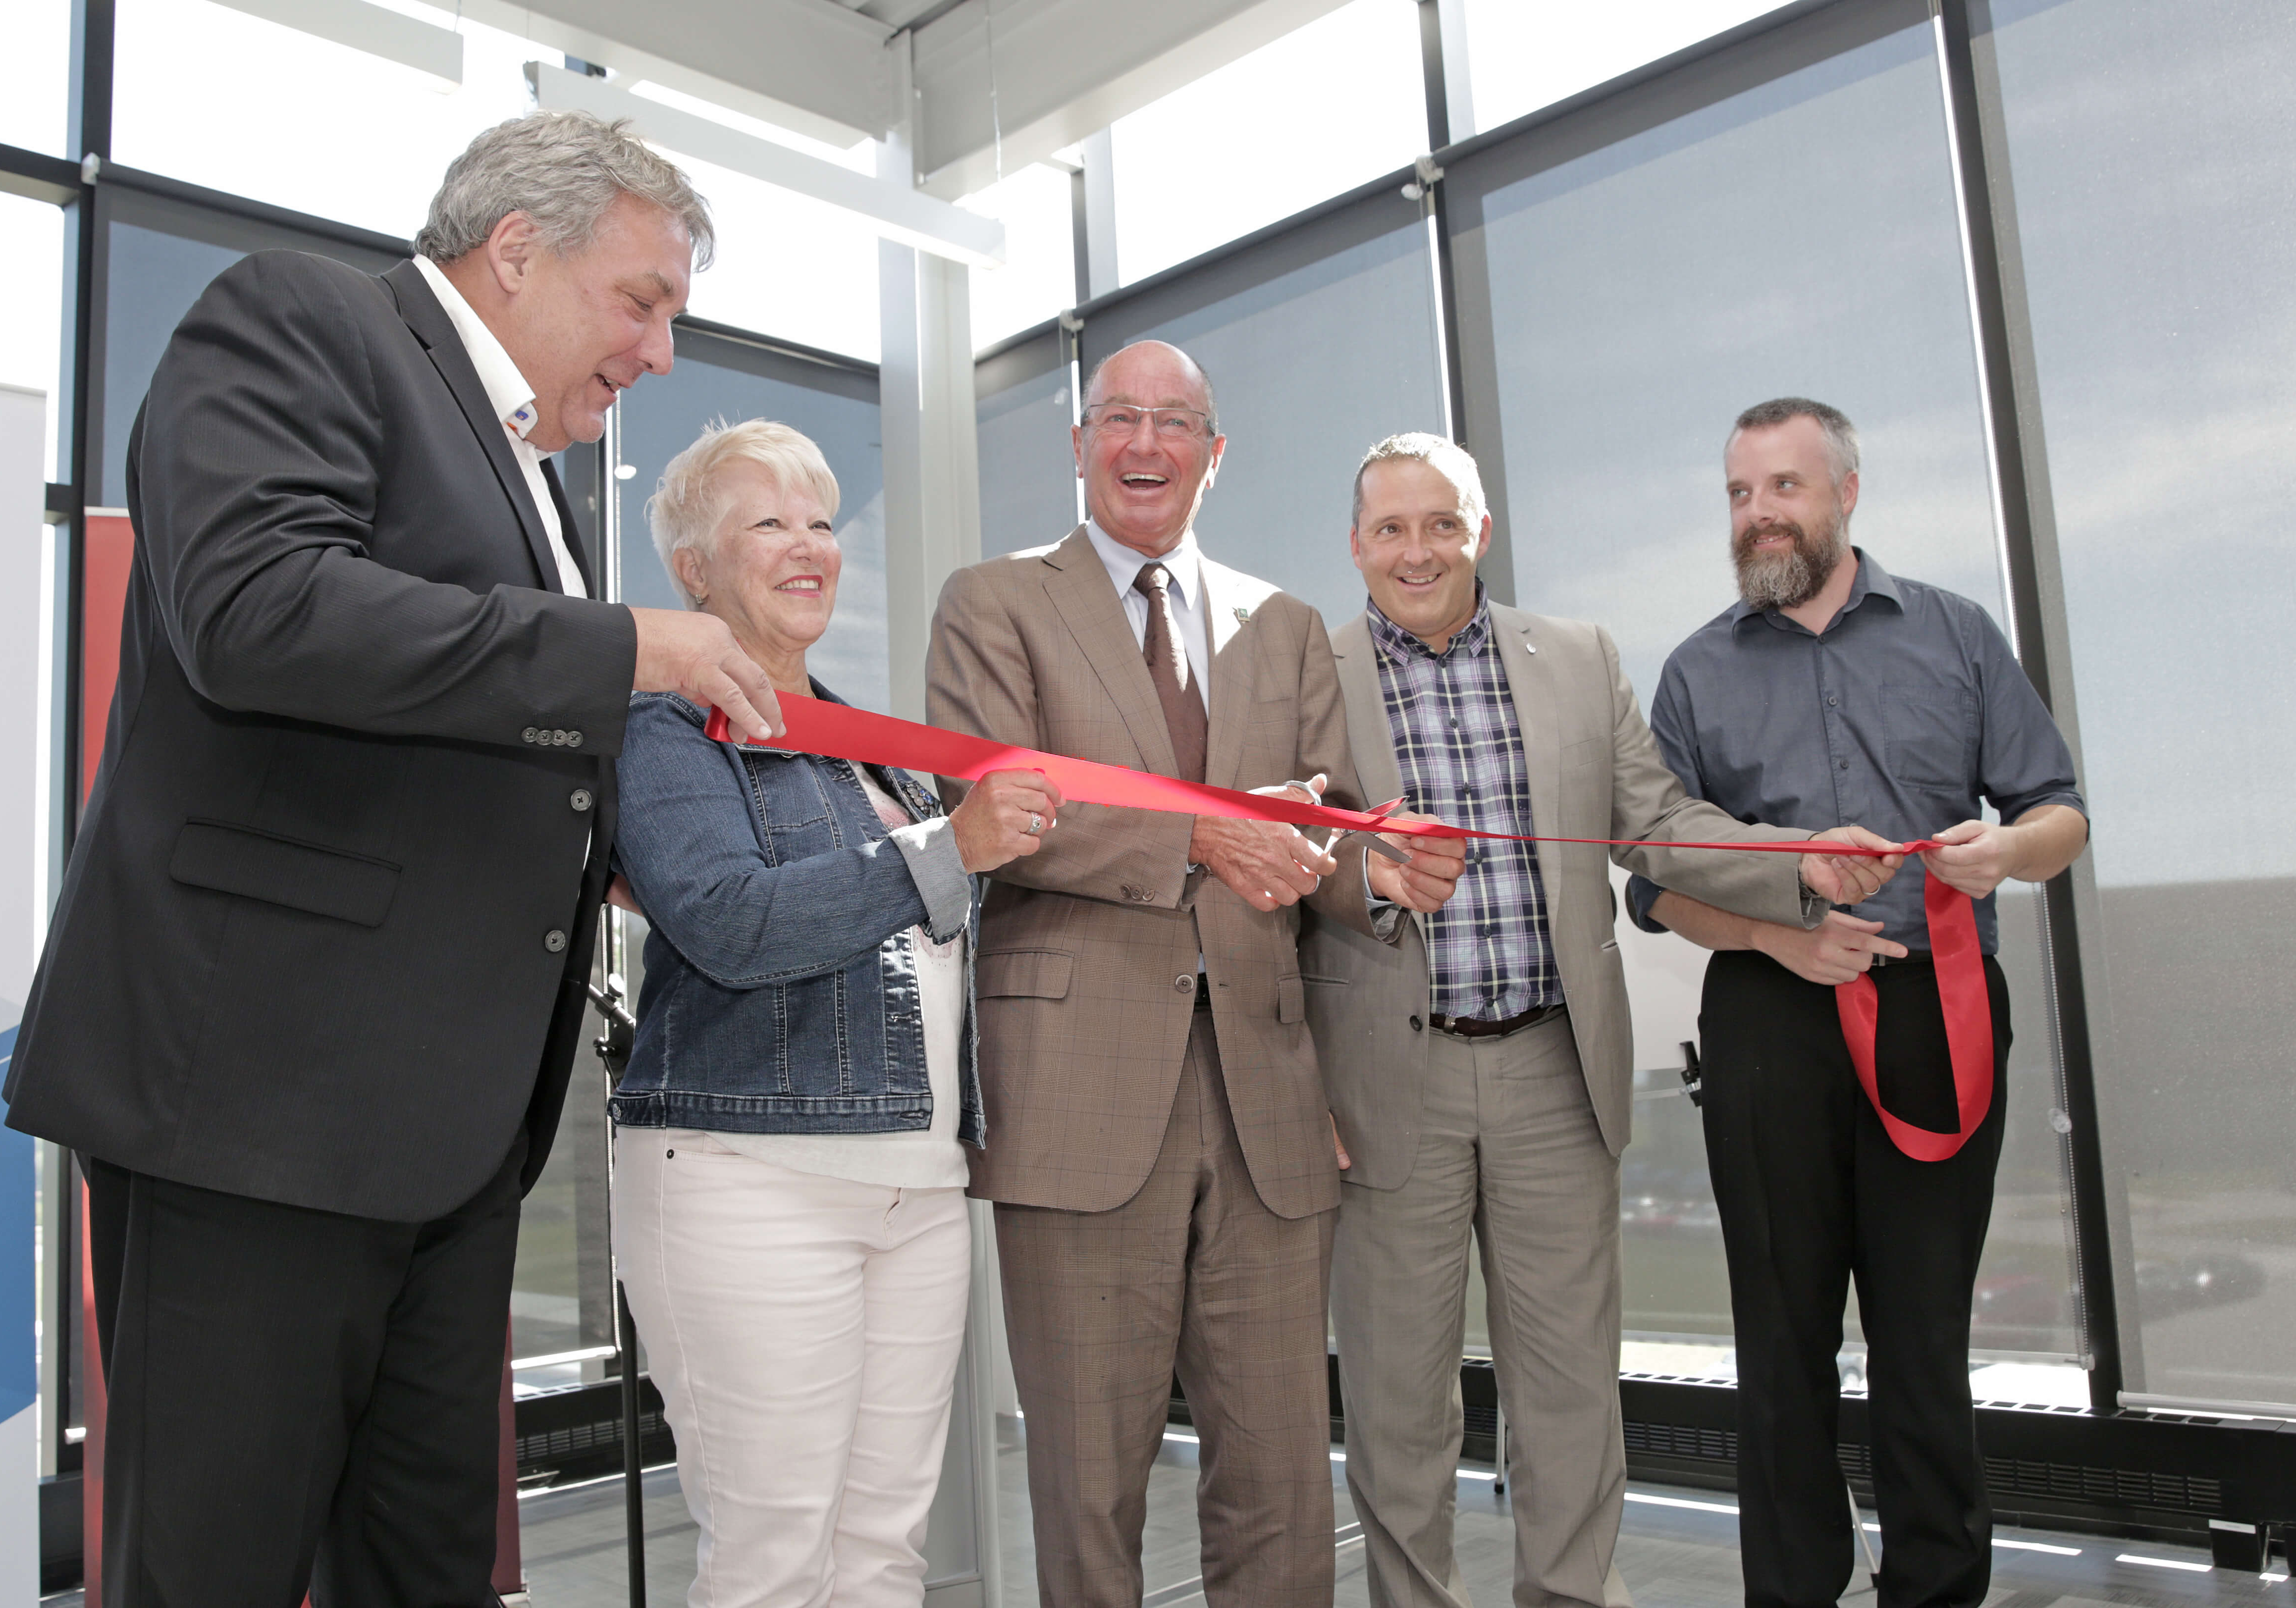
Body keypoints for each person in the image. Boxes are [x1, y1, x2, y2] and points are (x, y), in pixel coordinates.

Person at [2, 111, 783, 1604]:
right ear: (514, 251)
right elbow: (258, 610)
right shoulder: (301, 321)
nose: (662, 352)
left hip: (442, 1133)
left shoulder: (525, 474)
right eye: (644, 301)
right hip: (259, 1105)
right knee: (214, 1567)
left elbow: (485, 735)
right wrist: (626, 648)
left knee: (426, 1566)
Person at [1300, 433, 1892, 1608]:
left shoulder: (1574, 657)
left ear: (1481, 530)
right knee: (1399, 1407)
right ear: (1356, 544)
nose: (1417, 551)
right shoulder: (1302, 673)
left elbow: (1660, 824)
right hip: (1379, 1091)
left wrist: (1799, 860)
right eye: (1389, 529)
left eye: (1440, 524)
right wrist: (1365, 876)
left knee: (1571, 1400)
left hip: (1551, 1075)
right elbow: (1278, 864)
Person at [925, 341, 1451, 1606]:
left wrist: (1370, 874)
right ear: (1078, 443)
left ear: (1216, 457)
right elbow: (994, 807)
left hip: (1268, 1102)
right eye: (1118, 418)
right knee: (1089, 1485)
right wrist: (1203, 830)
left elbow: (1313, 837)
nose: (1144, 444)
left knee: (1278, 1484)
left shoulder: (1281, 628)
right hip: (1078, 1102)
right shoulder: (994, 603)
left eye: (1174, 424)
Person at [1628, 398, 2087, 1608]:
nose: (1757, 514)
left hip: (1942, 1008)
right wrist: (1776, 939)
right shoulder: (1692, 673)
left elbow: (2060, 813)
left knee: (1924, 1337)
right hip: (1769, 1024)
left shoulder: (1956, 634)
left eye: (1782, 487)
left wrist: (2005, 854)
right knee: (1780, 1348)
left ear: (1844, 494)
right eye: (1738, 493)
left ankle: (1935, 1590)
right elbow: (1654, 884)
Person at [608, 420, 1058, 1607]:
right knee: (773, 1560)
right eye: (769, 523)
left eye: (820, 523)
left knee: (879, 1557)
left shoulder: (881, 755)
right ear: (694, 571)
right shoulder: (662, 727)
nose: (809, 547)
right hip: (748, 1179)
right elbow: (728, 921)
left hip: (915, 1188)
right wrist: (947, 847)